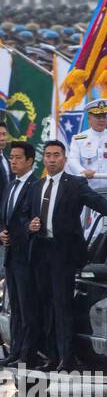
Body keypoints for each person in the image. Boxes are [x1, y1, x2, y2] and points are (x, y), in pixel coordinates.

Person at [20, 140, 107, 370]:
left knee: (62, 306)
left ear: (64, 159)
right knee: (44, 305)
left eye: (56, 155)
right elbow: (24, 216)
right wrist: (28, 225)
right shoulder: (36, 187)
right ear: (44, 159)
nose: (51, 159)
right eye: (48, 155)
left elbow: (97, 201)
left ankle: (66, 357)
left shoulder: (75, 184)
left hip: (63, 253)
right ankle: (50, 355)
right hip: (40, 252)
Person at [0, 141, 40, 366]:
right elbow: (3, 218)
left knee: (27, 309)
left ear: (29, 161)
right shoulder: (10, 186)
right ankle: (14, 351)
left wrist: (19, 233)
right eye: (11, 157)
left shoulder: (35, 186)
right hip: (11, 257)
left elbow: (35, 222)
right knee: (14, 307)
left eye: (17, 157)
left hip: (28, 258)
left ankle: (27, 354)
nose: (13, 161)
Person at [65, 99, 107, 190]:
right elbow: (72, 161)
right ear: (89, 118)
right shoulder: (79, 139)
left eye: (104, 116)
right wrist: (83, 171)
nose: (102, 120)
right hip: (86, 190)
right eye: (98, 116)